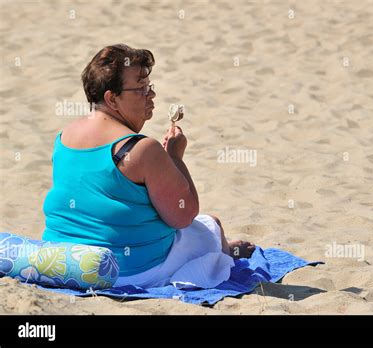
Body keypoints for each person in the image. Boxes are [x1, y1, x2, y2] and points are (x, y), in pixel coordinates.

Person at [42, 44, 255, 288]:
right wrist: (175, 157)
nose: (151, 95)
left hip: (64, 257)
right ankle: (224, 249)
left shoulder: (65, 136)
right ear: (112, 98)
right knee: (211, 225)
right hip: (127, 271)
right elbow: (183, 215)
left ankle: (223, 247)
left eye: (149, 87)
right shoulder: (141, 149)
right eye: (141, 89)